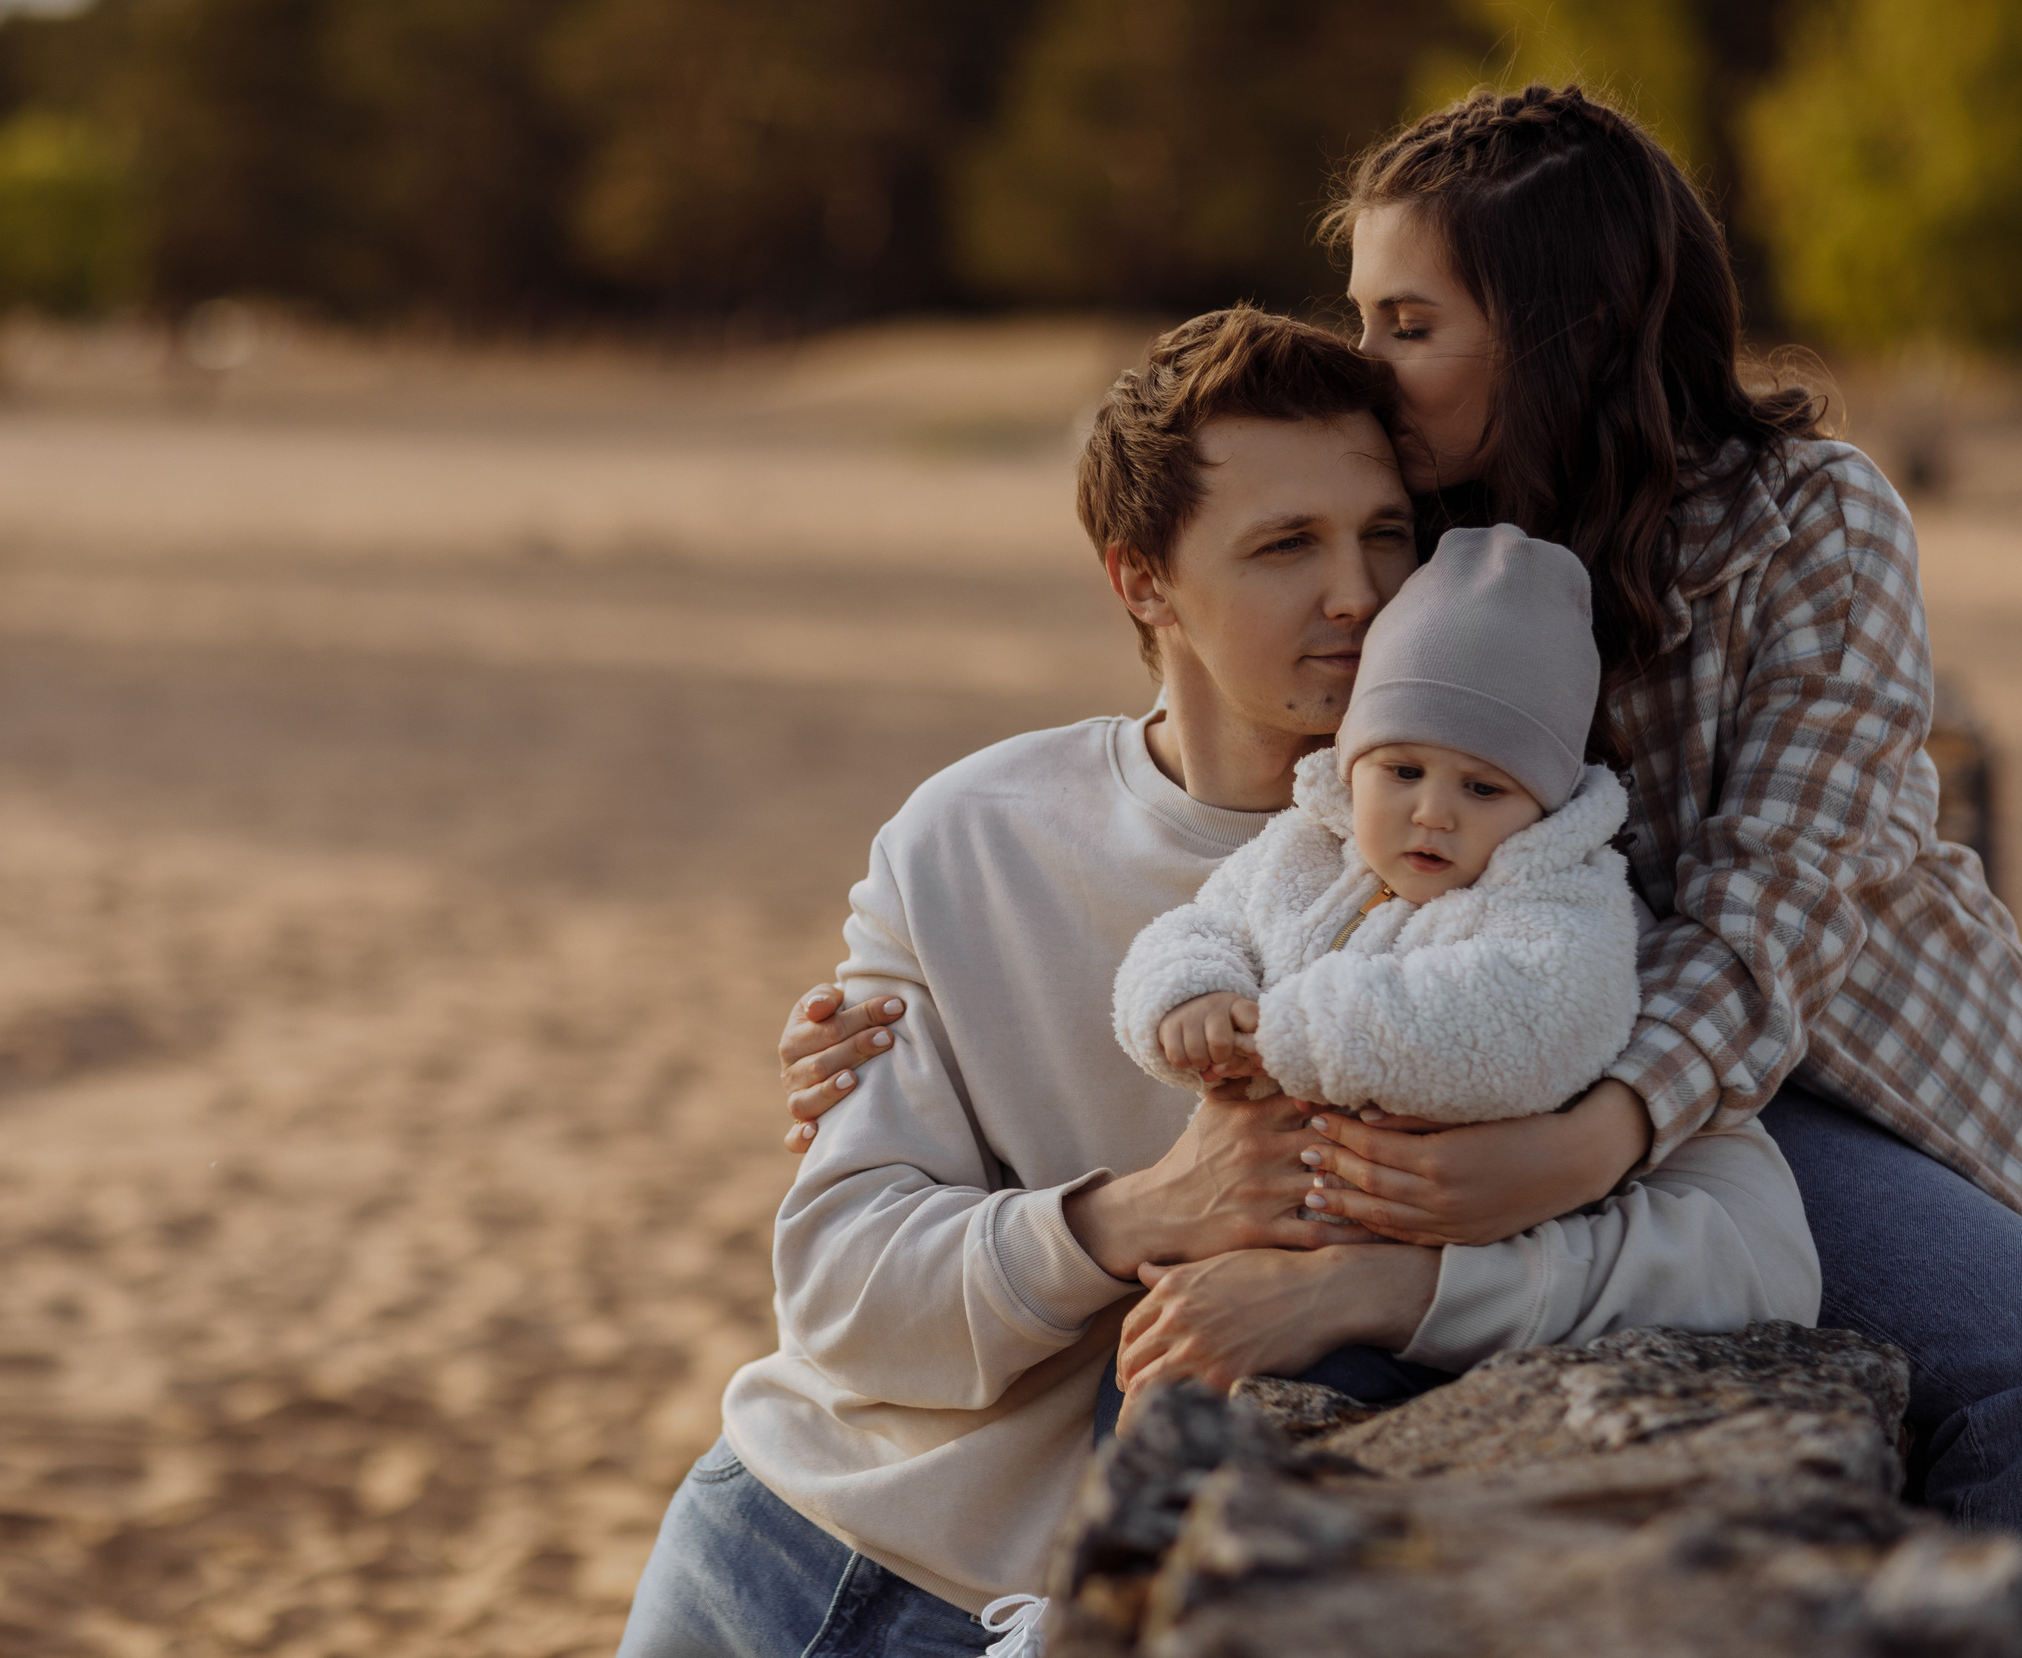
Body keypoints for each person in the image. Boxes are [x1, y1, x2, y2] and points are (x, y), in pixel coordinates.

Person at [783, 85, 2022, 1528]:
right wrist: (895, 1016)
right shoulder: (1426, 530)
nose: (1366, 362)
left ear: (1566, 327)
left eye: (1408, 325)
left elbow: (1777, 910)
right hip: (1536, 1021)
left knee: (2003, 1371)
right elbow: (1245, 720)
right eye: (1362, 316)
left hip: (1818, 1058)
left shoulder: (1808, 519)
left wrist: (1588, 1139)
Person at [615, 308, 1817, 1658]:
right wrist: (1137, 1213)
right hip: (774, 1541)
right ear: (1142, 582)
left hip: (1093, 1611)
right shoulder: (966, 834)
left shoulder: (1514, 869)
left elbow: (1752, 1251)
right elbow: (839, 1294)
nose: (1356, 593)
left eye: (1383, 535)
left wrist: (1390, 1285)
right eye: (1285, 545)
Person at [1120, 523, 1644, 1129]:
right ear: (1352, 763)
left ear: (1545, 804)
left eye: (1483, 788)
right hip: (1264, 1177)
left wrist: (1294, 1034)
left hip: (1438, 1185)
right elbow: (1200, 927)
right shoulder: (1302, 850)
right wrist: (1193, 998)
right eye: (1404, 771)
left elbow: (1531, 1019)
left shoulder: (1561, 903)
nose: (1432, 813)